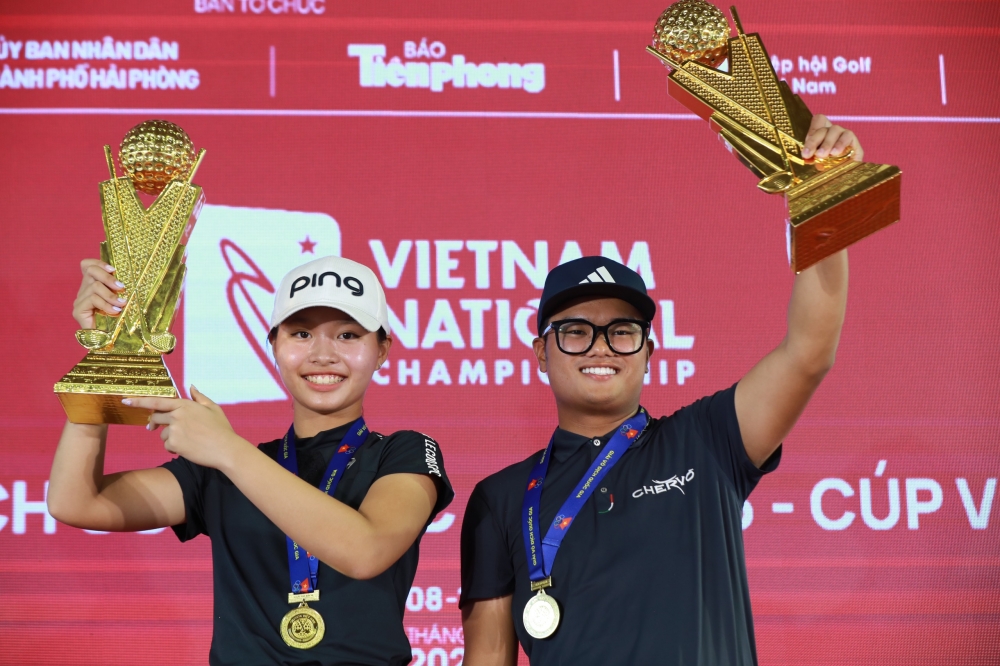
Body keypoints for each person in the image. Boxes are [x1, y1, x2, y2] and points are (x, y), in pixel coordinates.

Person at [459, 116, 860, 665]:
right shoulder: (501, 500)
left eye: (622, 332)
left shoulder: (710, 439)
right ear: (541, 353)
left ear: (649, 352)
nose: (601, 347)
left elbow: (810, 350)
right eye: (575, 332)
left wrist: (824, 200)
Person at [48, 254, 454, 665]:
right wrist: (108, 351)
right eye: (301, 334)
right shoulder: (221, 469)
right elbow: (76, 501)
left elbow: (366, 550)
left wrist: (228, 449)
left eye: (348, 335)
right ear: (273, 345)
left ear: (382, 350)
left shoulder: (403, 452)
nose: (323, 354)